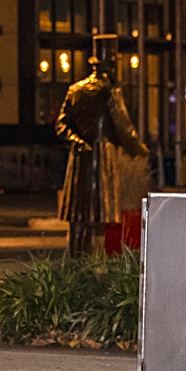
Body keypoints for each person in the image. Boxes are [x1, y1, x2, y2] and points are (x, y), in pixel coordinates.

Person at [56, 35, 150, 257]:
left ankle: (74, 261)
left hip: (79, 161)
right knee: (98, 216)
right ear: (111, 65)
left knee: (78, 216)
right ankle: (93, 264)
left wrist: (76, 142)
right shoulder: (110, 92)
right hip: (102, 159)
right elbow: (124, 129)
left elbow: (61, 124)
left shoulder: (75, 90)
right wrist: (140, 150)